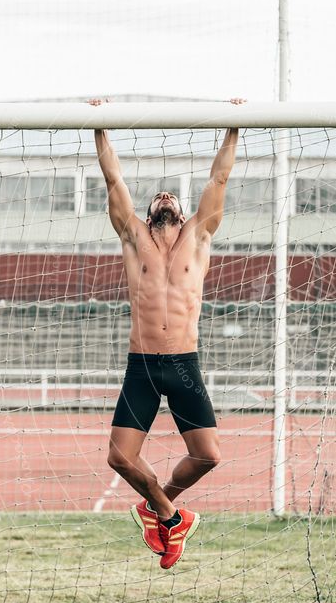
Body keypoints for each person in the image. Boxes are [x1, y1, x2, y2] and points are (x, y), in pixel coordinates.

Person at [89, 97, 246, 569]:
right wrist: (99, 128)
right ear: (149, 209)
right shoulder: (133, 235)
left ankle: (159, 508)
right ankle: (171, 516)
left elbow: (219, 178)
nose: (163, 199)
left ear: (180, 208)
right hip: (142, 365)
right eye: (157, 197)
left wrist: (233, 129)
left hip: (182, 362)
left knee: (209, 455)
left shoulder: (199, 235)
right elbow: (114, 178)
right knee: (119, 458)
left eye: (170, 197)